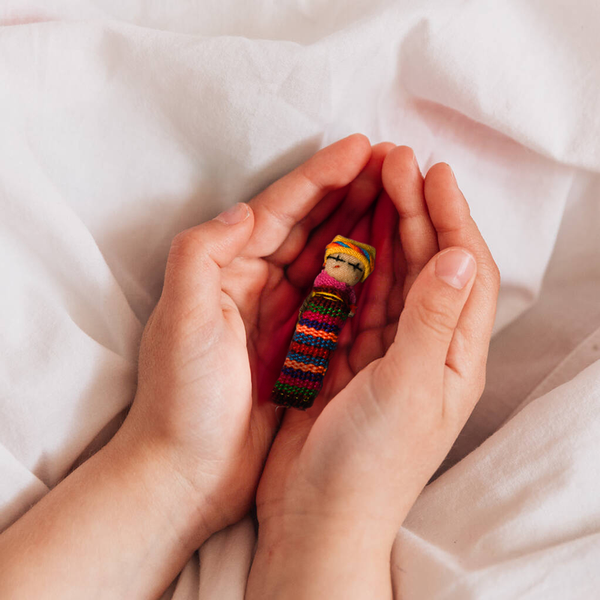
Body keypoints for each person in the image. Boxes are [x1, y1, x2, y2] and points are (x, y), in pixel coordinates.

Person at [0, 134, 500, 599]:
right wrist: (178, 465)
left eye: (349, 267)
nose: (343, 270)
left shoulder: (336, 297)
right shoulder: (326, 292)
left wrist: (325, 519)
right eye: (341, 264)